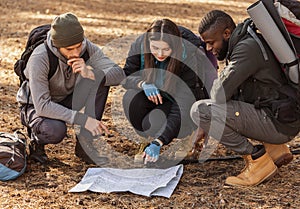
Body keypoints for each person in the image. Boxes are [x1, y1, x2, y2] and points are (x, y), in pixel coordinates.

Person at [190, 10, 299, 186]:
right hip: (281, 116)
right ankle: (274, 149)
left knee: (200, 110)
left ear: (226, 34)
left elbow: (218, 94)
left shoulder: (246, 49)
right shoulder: (246, 40)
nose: (209, 49)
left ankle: (258, 161)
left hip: (278, 123)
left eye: (211, 43)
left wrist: (207, 119)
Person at [16, 12, 125, 164]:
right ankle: (36, 142)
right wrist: (83, 119)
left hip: (66, 98)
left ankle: (85, 145)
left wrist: (92, 73)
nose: (75, 53)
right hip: (36, 106)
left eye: (78, 46)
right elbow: (42, 106)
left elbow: (119, 74)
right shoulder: (40, 57)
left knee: (100, 80)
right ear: (57, 45)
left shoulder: (87, 48)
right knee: (55, 131)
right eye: (69, 49)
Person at [122, 18, 217, 164]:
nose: (160, 54)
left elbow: (183, 105)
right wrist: (142, 84)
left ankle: (187, 137)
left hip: (181, 104)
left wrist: (159, 142)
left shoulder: (189, 56)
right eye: (155, 48)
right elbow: (127, 75)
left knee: (158, 120)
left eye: (166, 49)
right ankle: (145, 141)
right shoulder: (139, 46)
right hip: (156, 97)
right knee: (130, 99)